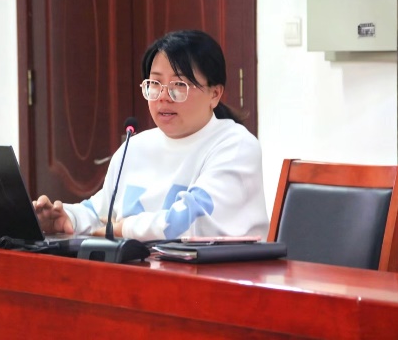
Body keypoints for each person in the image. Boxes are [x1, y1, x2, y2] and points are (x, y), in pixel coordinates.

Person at [33, 29, 269, 241]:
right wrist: (67, 218)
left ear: (214, 94)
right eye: (155, 83)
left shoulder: (235, 145)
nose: (163, 96)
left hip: (219, 273)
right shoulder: (135, 147)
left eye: (179, 85)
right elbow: (102, 212)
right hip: (141, 270)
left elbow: (192, 222)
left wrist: (124, 228)